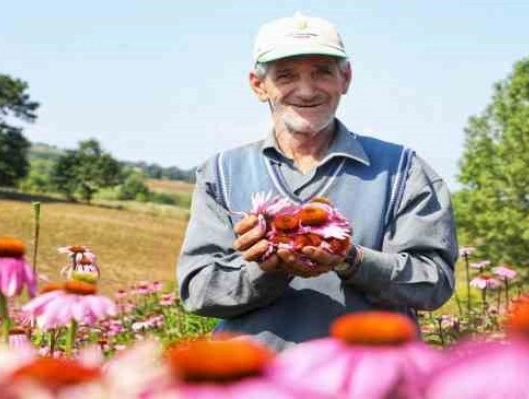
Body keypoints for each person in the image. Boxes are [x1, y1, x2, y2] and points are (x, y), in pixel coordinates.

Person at [177, 13, 458, 352]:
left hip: (369, 383)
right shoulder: (221, 172)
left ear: (346, 78)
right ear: (258, 84)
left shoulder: (403, 170)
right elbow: (198, 290)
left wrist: (351, 260)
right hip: (257, 383)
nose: (307, 90)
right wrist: (267, 270)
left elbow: (433, 282)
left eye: (322, 72)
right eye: (286, 75)